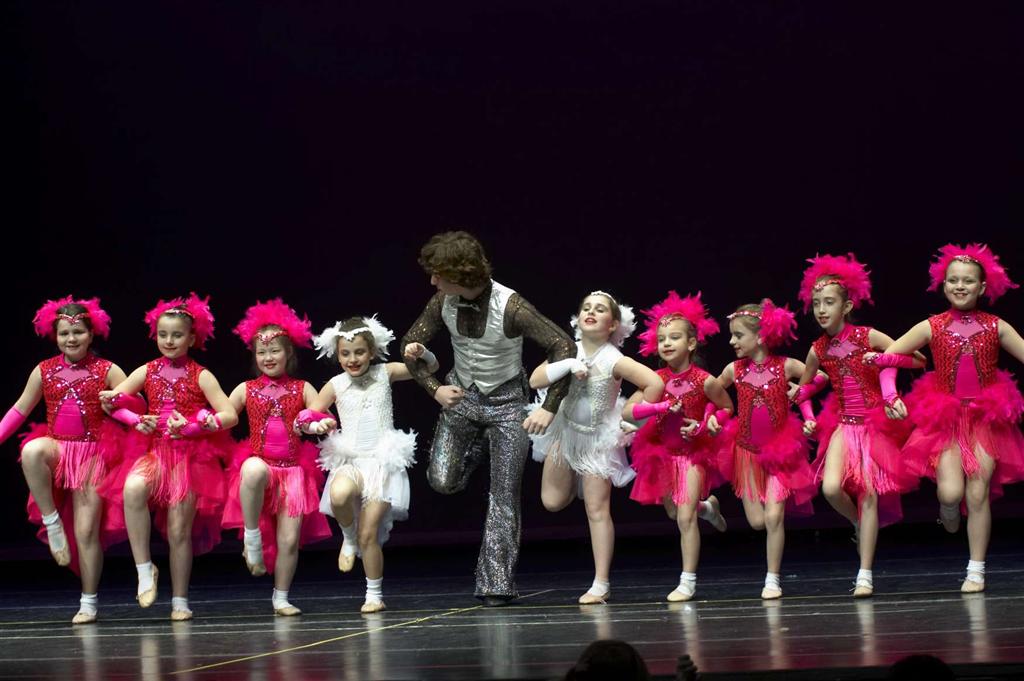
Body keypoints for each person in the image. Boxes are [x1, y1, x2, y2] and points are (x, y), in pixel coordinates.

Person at [400, 230, 575, 605]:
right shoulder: (442, 301)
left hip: (508, 405)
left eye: (438, 275)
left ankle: (496, 583)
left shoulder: (511, 306)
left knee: (503, 494)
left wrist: (548, 405)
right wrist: (433, 388)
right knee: (442, 480)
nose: (433, 282)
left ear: (458, 274)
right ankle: (479, 445)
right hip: (462, 397)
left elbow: (563, 345)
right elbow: (410, 344)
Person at [880, 243, 1024, 593]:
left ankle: (976, 570)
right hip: (944, 418)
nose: (960, 286)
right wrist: (889, 395)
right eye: (954, 280)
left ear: (982, 287)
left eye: (968, 281)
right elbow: (887, 359)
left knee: (977, 493)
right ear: (943, 285)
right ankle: (946, 508)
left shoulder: (996, 326)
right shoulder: (931, 326)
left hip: (985, 419)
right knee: (951, 492)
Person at [101, 293, 238, 621]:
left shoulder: (201, 375)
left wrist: (194, 427)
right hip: (155, 453)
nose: (169, 341)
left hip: (189, 460)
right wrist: (136, 419)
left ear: (191, 338)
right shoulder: (147, 370)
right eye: (163, 334)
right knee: (132, 488)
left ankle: (180, 599)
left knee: (178, 532)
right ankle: (144, 569)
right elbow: (112, 403)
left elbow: (230, 414)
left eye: (177, 335)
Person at [793, 254, 923, 597]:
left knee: (868, 495)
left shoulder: (868, 335)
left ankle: (864, 574)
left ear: (847, 306)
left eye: (829, 302)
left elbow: (916, 359)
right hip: (843, 424)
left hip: (875, 425)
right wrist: (806, 412)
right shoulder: (817, 349)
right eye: (817, 303)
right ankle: (856, 523)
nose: (821, 310)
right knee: (831, 489)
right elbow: (805, 389)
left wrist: (882, 359)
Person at [0, 297, 129, 623]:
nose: (71, 339)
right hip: (58, 449)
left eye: (78, 332)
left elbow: (134, 404)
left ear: (91, 334)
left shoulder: (108, 370)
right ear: (55, 336)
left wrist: (121, 401)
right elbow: (20, 410)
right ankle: (52, 521)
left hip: (92, 456)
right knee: (31, 451)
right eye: (64, 333)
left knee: (87, 532)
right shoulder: (44, 370)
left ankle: (88, 601)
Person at [528, 290, 662, 604]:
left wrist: (633, 415)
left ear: (613, 324)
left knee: (597, 510)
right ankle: (578, 480)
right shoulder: (567, 349)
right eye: (586, 307)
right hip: (565, 433)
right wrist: (568, 364)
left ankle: (600, 584)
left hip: (597, 441)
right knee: (552, 501)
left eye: (600, 309)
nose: (591, 312)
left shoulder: (614, 359)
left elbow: (654, 383)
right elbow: (535, 380)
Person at [306, 315, 434, 613]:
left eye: (359, 352)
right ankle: (347, 538)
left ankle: (374, 594)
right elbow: (308, 415)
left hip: (382, 463)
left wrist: (424, 353)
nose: (353, 359)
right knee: (338, 496)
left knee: (369, 532)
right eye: (346, 354)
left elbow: (428, 369)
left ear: (372, 351)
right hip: (351, 459)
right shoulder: (336, 384)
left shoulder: (385, 373)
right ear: (338, 355)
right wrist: (316, 425)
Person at [222, 299, 331, 616]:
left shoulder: (303, 388)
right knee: (253, 470)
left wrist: (318, 423)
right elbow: (224, 415)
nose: (268, 357)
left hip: (293, 472)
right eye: (261, 352)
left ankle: (281, 596)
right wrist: (200, 421)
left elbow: (319, 415)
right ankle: (251, 538)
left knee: (289, 539)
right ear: (254, 356)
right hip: (261, 464)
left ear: (289, 353)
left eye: (274, 351)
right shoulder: (246, 389)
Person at [622, 291, 731, 602]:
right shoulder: (654, 380)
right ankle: (708, 508)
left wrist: (707, 422)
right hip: (664, 455)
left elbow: (727, 407)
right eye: (661, 339)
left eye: (674, 337)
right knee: (675, 511)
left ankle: (687, 581)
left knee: (684, 518)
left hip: (694, 454)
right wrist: (656, 407)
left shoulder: (705, 380)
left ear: (691, 343)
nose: (666, 343)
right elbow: (628, 411)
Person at [717, 299, 817, 599]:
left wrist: (803, 391)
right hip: (745, 452)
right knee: (758, 522)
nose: (732, 341)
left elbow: (819, 377)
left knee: (774, 518)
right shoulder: (734, 370)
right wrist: (713, 415)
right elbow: (712, 391)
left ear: (760, 336)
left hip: (780, 452)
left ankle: (772, 579)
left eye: (738, 335)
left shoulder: (786, 365)